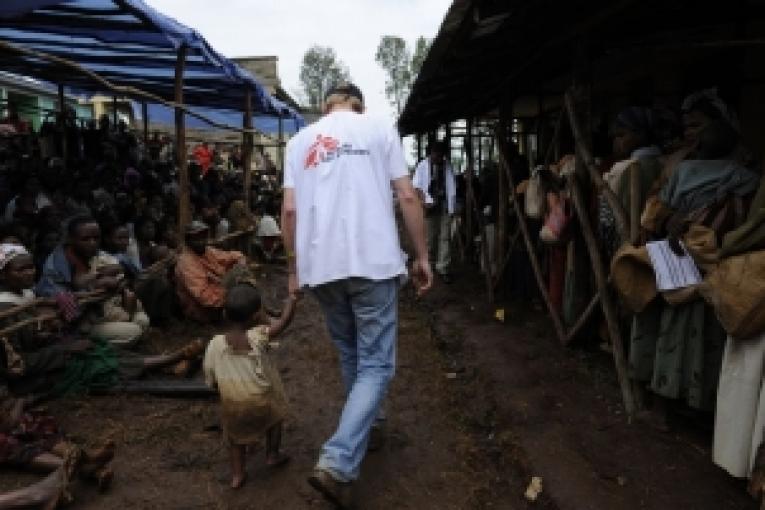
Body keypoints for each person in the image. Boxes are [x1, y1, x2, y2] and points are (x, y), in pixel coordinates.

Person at [282, 82, 432, 508]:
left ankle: (373, 423)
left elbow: (289, 211)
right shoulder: (379, 128)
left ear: (326, 105)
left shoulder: (298, 142)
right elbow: (406, 194)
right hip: (373, 261)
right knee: (377, 364)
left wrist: (294, 269)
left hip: (322, 267)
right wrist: (422, 256)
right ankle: (338, 459)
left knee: (351, 351)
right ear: (358, 106)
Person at [203, 282, 296, 489]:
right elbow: (282, 324)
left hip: (232, 404)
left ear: (225, 314)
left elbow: (210, 376)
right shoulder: (256, 337)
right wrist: (292, 301)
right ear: (256, 317)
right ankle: (272, 454)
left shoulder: (215, 344)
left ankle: (237, 475)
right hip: (262, 400)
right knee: (275, 420)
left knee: (235, 440)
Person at [35, 216, 148, 348]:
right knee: (133, 331)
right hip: (79, 324)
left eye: (96, 238)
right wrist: (96, 284)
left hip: (103, 310)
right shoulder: (55, 267)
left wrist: (120, 268)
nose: (92, 243)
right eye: (86, 239)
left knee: (142, 321)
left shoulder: (90, 252)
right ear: (71, 239)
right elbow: (68, 308)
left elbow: (123, 264)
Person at [174, 221, 247, 322]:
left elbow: (233, 256)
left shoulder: (207, 251)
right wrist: (232, 295)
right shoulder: (187, 263)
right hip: (202, 310)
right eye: (196, 238)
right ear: (189, 240)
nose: (201, 241)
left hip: (221, 293)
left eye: (203, 236)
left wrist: (241, 264)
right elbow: (205, 298)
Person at [412, 141, 456, 283]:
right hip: (429, 207)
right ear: (430, 154)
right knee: (429, 238)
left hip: (443, 205)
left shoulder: (447, 166)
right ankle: (428, 265)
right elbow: (417, 187)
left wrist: (452, 207)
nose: (438, 158)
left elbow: (452, 187)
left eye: (441, 155)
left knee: (445, 237)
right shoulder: (422, 166)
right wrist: (424, 201)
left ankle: (443, 267)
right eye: (436, 155)